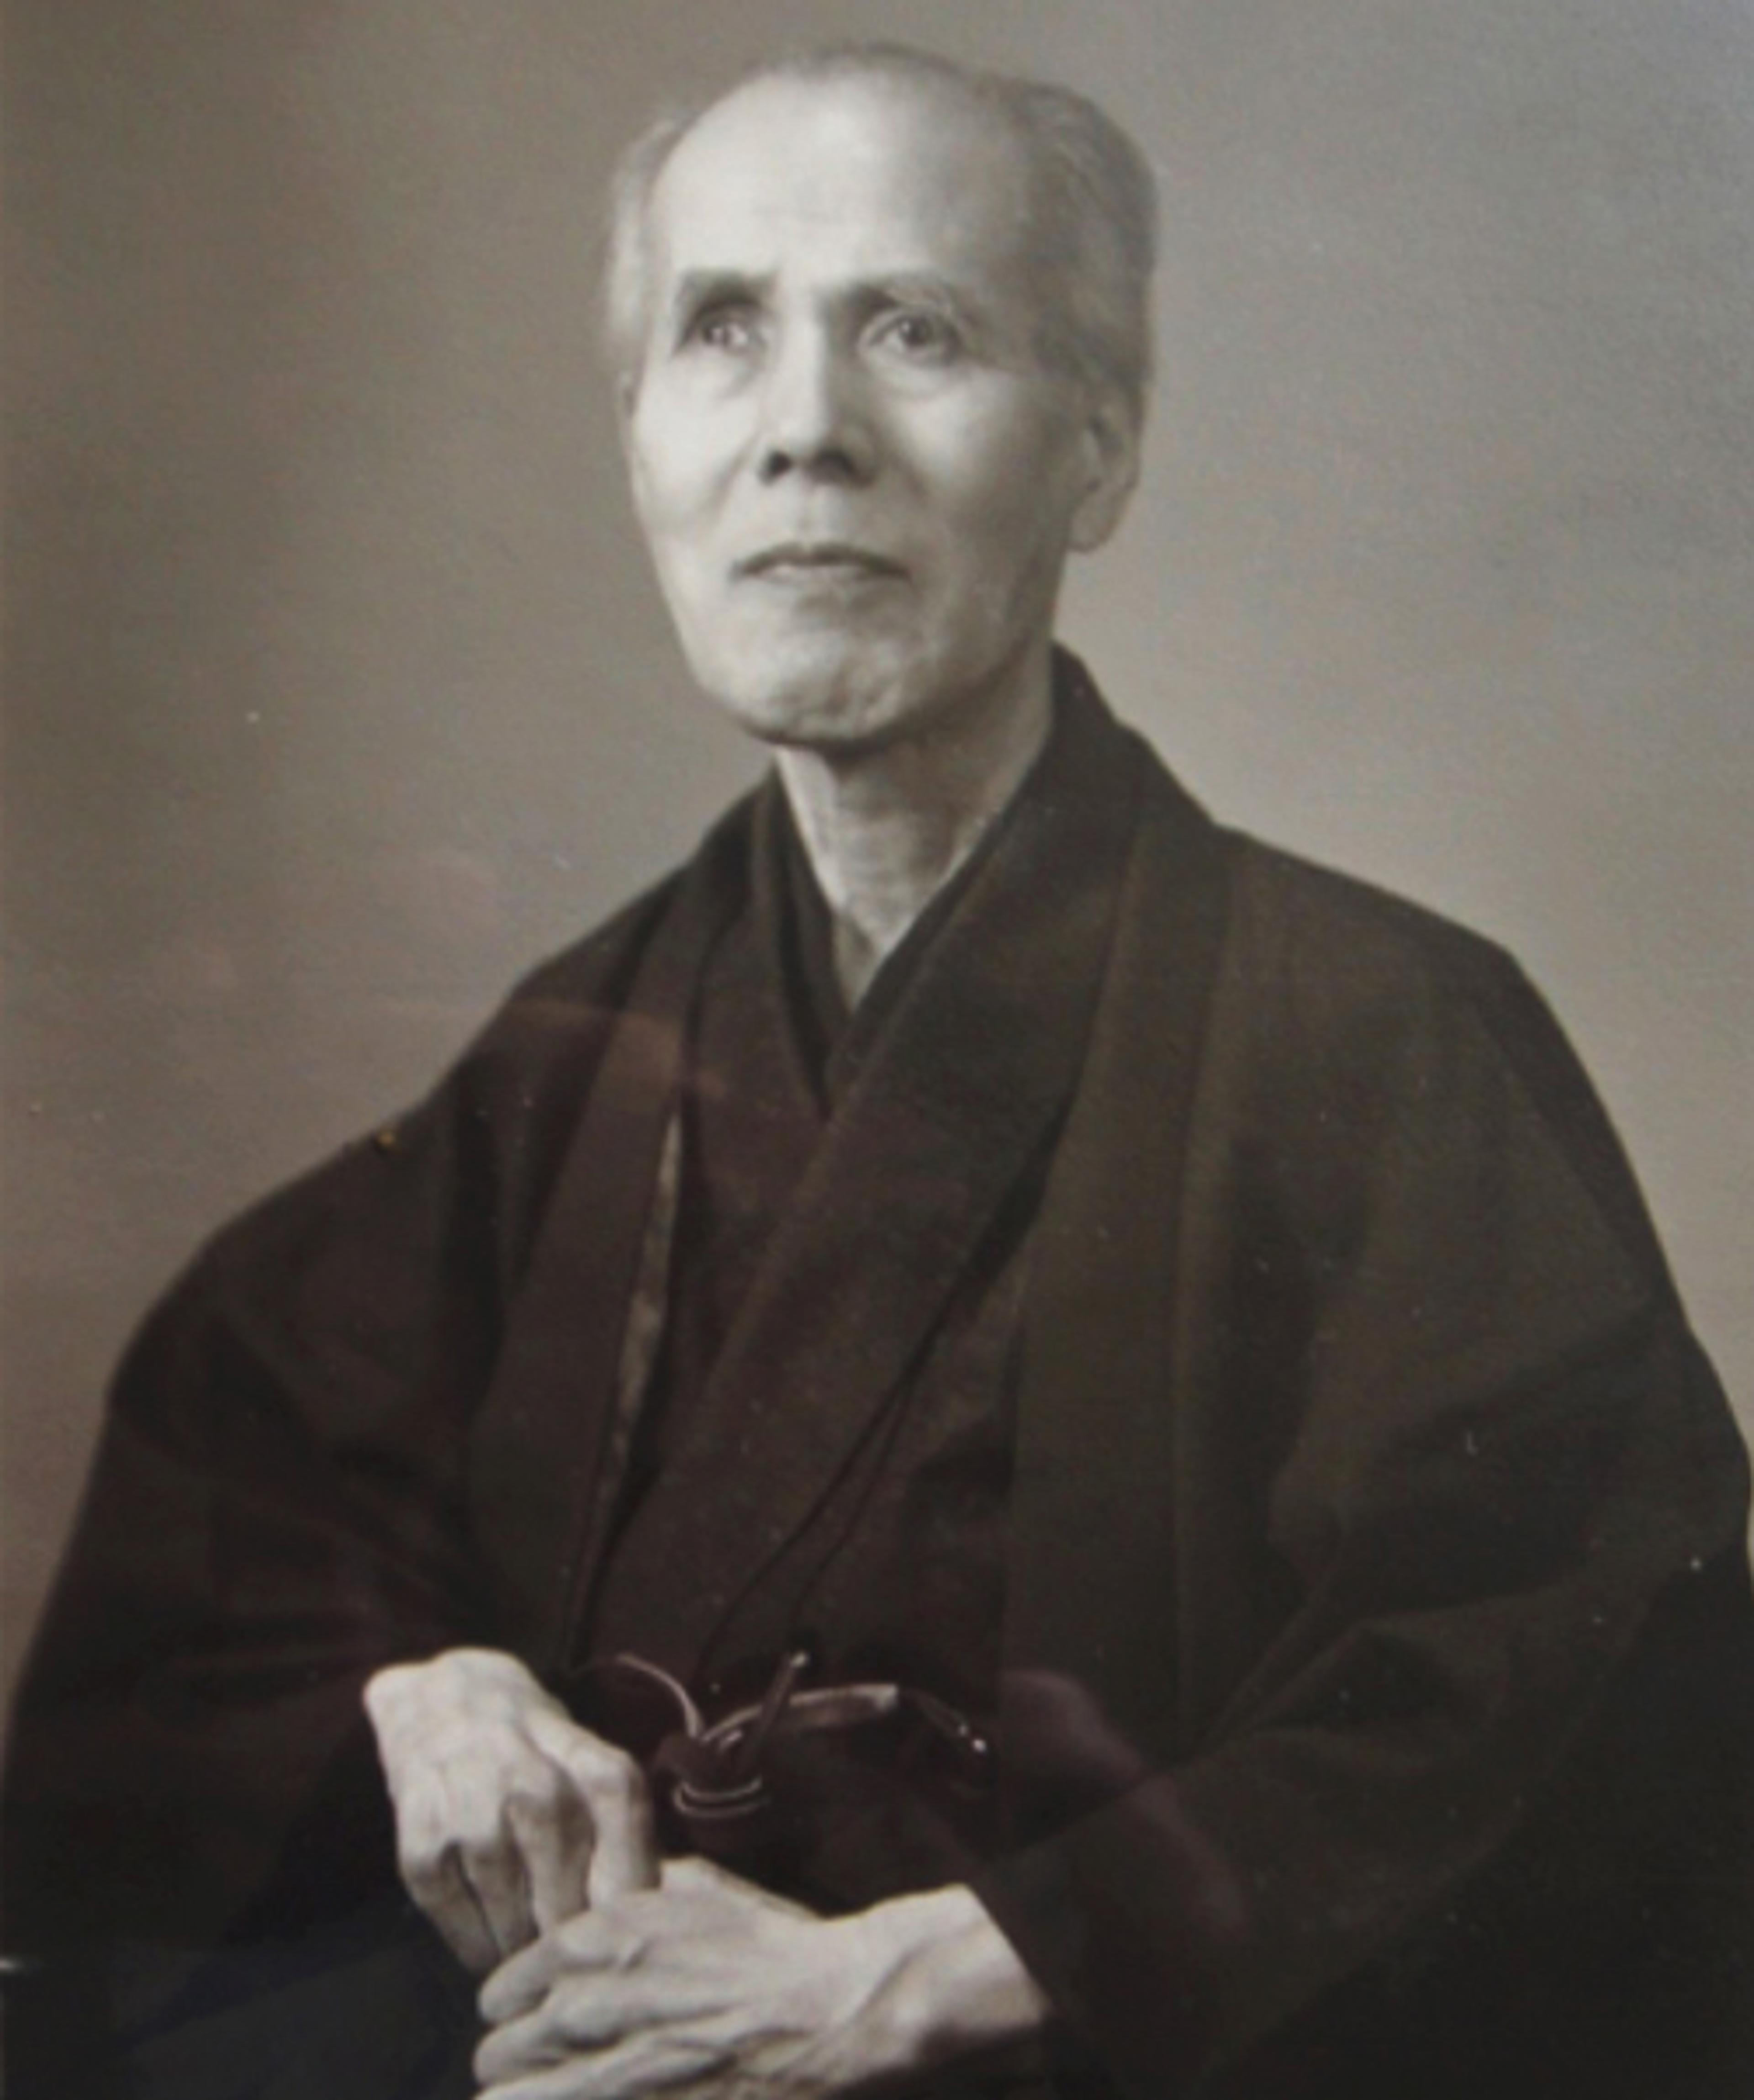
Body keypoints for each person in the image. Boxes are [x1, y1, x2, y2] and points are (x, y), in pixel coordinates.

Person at [6, 39, 1753, 2100]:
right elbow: (250, 1493)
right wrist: (420, 1679)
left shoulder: (1380, 1035)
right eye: (722, 329)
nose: (806, 434)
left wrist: (971, 1960)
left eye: (918, 329)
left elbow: (1588, 1685)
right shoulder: (569, 1064)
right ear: (640, 432)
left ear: (1099, 447)